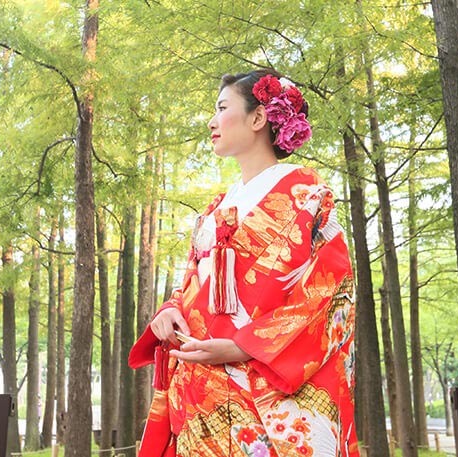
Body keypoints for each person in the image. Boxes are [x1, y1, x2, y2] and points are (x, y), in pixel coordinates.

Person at [129, 69, 358, 457]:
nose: (212, 121)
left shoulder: (308, 199)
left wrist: (241, 346)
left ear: (258, 118)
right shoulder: (216, 208)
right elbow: (190, 284)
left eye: (222, 108)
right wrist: (170, 312)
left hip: (265, 390)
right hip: (200, 394)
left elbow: (332, 295)